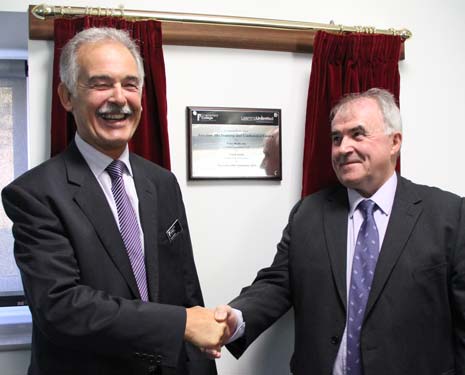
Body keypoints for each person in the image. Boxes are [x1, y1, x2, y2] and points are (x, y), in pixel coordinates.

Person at [1, 27, 226, 375]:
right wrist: (180, 323)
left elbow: (186, 289)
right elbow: (61, 308)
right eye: (101, 83)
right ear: (66, 96)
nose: (119, 98)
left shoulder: (161, 182)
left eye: (130, 84)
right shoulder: (34, 194)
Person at [213, 88, 465, 374]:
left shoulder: (449, 215)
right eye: (336, 138)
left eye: (358, 134)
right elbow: (277, 284)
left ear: (395, 142)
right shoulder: (308, 214)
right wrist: (236, 318)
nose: (343, 148)